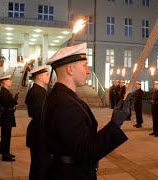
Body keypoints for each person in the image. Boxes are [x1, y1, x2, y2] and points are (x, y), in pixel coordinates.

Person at [40, 42, 131, 179]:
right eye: (84, 66)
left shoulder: (63, 96)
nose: (88, 71)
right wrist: (115, 124)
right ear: (70, 69)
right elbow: (86, 151)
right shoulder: (64, 102)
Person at [25, 65, 50, 180]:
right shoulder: (37, 93)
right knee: (40, 167)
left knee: (38, 166)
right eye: (46, 74)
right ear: (40, 77)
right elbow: (40, 115)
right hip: (39, 134)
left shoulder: (38, 90)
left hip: (38, 132)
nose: (48, 76)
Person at [0, 75, 19, 161]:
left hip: (7, 116)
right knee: (5, 136)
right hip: (6, 117)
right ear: (5, 82)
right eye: (9, 80)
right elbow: (7, 104)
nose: (11, 81)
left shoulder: (6, 91)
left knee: (7, 136)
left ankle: (6, 152)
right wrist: (15, 100)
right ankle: (5, 155)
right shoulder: (3, 92)